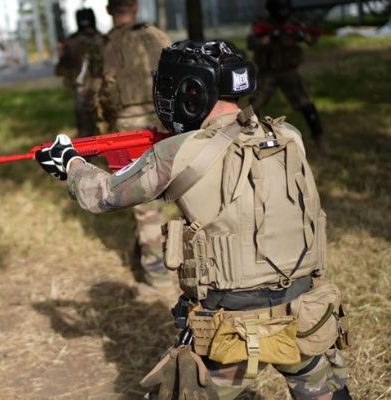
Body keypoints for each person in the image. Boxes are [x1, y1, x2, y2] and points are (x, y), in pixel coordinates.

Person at [35, 40, 351, 399]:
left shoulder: (177, 151)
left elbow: (103, 194)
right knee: (324, 385)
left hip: (233, 327)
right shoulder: (289, 135)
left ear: (191, 91)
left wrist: (69, 164)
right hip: (306, 312)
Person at [91, 0, 174, 287]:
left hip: (128, 126)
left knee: (143, 196)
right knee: (178, 186)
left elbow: (100, 90)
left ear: (109, 10)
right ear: (136, 8)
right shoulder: (158, 35)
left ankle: (155, 269)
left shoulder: (105, 45)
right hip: (165, 120)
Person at [248, 0, 327, 152]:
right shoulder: (262, 23)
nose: (283, 11)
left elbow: (312, 40)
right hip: (267, 73)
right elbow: (252, 43)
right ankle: (251, 139)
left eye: (285, 8)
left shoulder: (294, 23)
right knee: (253, 107)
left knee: (306, 104)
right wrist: (270, 37)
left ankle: (320, 140)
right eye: (280, 8)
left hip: (288, 72)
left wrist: (301, 35)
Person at [55, 8, 104, 137]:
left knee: (84, 127)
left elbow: (60, 70)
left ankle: (86, 155)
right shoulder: (104, 39)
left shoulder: (70, 42)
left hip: (81, 90)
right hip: (104, 87)